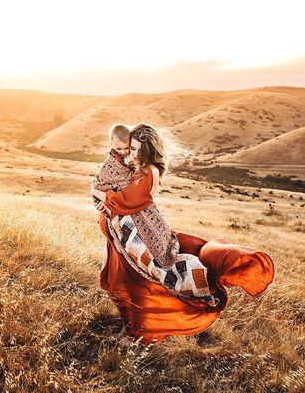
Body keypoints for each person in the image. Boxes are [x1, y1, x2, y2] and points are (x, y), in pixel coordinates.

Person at [91, 124, 275, 345]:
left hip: (146, 233)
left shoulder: (151, 171)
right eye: (131, 148)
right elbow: (113, 177)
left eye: (137, 149)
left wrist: (98, 193)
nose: (132, 154)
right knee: (125, 278)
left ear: (149, 150)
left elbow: (128, 201)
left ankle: (139, 331)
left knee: (140, 281)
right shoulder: (134, 165)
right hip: (127, 233)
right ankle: (132, 327)